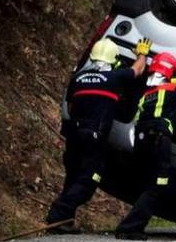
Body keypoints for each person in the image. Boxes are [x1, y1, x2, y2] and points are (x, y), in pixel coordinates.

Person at [46, 37, 150, 231]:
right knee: (89, 180)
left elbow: (70, 106)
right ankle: (58, 213)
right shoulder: (115, 77)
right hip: (94, 137)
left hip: (74, 135)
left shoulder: (78, 79)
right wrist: (142, 53)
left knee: (73, 176)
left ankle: (64, 222)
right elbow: (137, 70)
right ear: (113, 60)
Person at [115, 52, 176, 240]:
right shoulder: (172, 89)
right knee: (157, 185)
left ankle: (132, 225)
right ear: (171, 71)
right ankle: (130, 227)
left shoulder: (146, 94)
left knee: (148, 185)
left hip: (142, 140)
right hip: (158, 140)